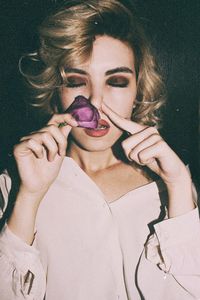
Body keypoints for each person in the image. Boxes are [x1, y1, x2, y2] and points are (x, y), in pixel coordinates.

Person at [0, 0, 199, 299]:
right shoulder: (14, 185)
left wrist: (179, 188)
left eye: (117, 81)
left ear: (138, 91)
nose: (94, 102)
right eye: (77, 81)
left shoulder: (172, 184)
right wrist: (29, 198)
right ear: (56, 91)